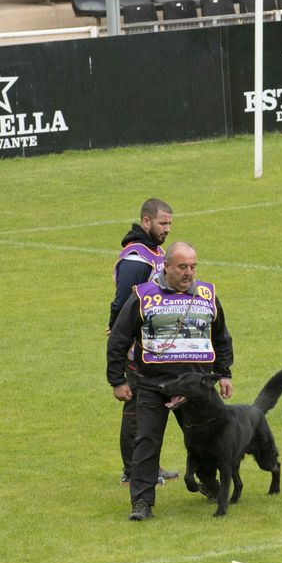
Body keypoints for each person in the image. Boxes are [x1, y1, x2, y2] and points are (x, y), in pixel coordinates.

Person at [107, 242, 235, 520]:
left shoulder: (207, 295)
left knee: (206, 439)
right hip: (154, 385)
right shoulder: (143, 296)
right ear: (166, 266)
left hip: (197, 388)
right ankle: (142, 502)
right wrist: (117, 380)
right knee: (147, 441)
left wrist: (224, 373)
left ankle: (209, 483)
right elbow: (119, 338)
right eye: (182, 267)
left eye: (193, 266)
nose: (189, 272)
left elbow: (221, 337)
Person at [107, 198, 180, 486]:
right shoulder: (136, 258)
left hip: (156, 347)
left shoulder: (155, 252)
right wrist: (118, 332)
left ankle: (149, 465)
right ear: (146, 222)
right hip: (137, 349)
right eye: (163, 223)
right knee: (136, 410)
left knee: (151, 410)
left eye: (170, 223)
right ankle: (132, 470)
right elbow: (123, 300)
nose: (167, 229)